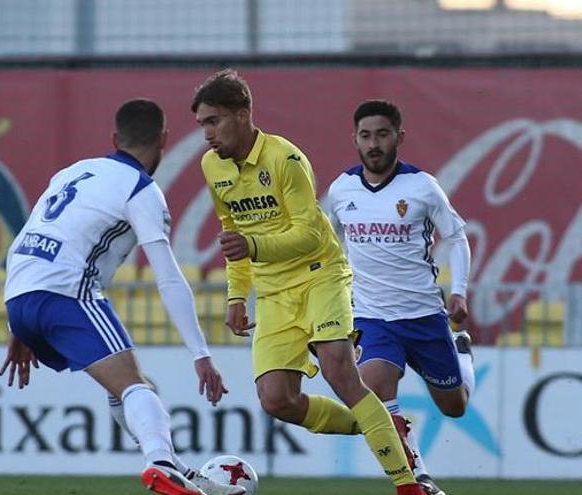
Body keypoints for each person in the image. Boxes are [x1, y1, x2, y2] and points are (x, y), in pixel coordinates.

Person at [192, 69, 424, 495]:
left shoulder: (285, 159)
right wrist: (237, 296)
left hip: (320, 276)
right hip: (274, 293)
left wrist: (254, 247)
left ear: (243, 115)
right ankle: (380, 425)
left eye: (214, 121)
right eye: (202, 124)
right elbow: (232, 234)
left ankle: (407, 483)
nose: (207, 134)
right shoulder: (213, 166)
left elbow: (310, 234)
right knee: (277, 399)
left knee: (340, 370)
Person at [0, 98, 245, 495]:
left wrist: (18, 324)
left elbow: (26, 242)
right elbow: (167, 276)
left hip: (20, 292)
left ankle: (174, 466)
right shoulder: (141, 190)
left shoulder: (73, 172)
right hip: (68, 292)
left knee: (127, 384)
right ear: (164, 140)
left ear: (115, 138)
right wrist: (201, 354)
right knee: (136, 387)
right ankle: (161, 462)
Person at [326, 99, 476, 495]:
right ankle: (418, 476)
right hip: (372, 316)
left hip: (424, 315)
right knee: (374, 391)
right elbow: (328, 248)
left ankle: (461, 353)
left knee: (454, 406)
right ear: (355, 140)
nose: (373, 143)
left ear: (399, 137)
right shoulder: (341, 190)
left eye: (382, 134)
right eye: (365, 135)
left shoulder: (422, 186)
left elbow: (457, 237)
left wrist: (459, 290)